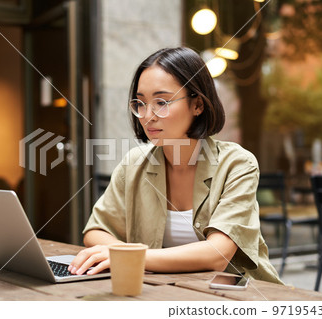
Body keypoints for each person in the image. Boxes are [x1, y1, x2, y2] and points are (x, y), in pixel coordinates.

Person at [69, 47, 282, 284]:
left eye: (162, 102)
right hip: (162, 292)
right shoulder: (134, 163)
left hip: (237, 298)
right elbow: (96, 231)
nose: (147, 115)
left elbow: (218, 254)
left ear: (198, 105)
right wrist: (124, 254)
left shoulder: (237, 164)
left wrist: (129, 256)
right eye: (140, 103)